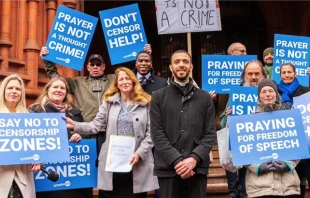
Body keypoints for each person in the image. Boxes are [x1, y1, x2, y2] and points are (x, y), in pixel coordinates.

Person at [64, 67, 159, 198]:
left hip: (137, 161)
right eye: (121, 79)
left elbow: (151, 133)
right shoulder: (108, 101)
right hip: (114, 160)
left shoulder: (146, 102)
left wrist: (139, 153)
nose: (125, 82)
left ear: (133, 81)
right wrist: (75, 125)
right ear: (117, 83)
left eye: (128, 78)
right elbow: (96, 125)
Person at [40, 47, 113, 198]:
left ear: (104, 66)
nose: (95, 67)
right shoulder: (77, 82)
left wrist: (141, 53)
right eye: (92, 64)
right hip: (86, 132)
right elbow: (56, 80)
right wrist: (47, 60)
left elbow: (130, 78)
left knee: (107, 171)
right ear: (87, 67)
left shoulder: (114, 80)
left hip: (109, 133)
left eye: (98, 64)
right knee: (85, 170)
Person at [150, 50, 216, 198]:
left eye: (185, 62)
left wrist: (193, 159)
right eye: (177, 62)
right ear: (171, 67)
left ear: (191, 67)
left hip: (197, 168)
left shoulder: (205, 98)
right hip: (168, 168)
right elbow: (157, 134)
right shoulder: (158, 97)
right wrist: (178, 161)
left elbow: (210, 133)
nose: (181, 65)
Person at [29, 76, 93, 198]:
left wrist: (79, 136)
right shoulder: (35, 111)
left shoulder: (75, 112)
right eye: (55, 87)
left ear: (66, 93)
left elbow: (86, 135)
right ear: (47, 90)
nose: (59, 90)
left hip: (72, 176)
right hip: (46, 175)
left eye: (62, 88)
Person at [220, 60, 268, 198]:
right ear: (244, 76)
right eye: (250, 74)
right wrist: (228, 116)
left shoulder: (272, 91)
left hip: (264, 149)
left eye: (257, 73)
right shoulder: (237, 95)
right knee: (244, 189)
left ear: (263, 75)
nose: (253, 77)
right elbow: (223, 123)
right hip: (243, 148)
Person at [246, 79, 300, 198]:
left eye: (271, 90)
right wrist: (258, 167)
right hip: (259, 187)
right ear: (259, 95)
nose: (268, 94)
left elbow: (298, 147)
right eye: (263, 91)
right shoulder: (247, 120)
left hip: (288, 187)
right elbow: (242, 151)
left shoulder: (289, 118)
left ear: (276, 94)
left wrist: (288, 164)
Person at [0, 74, 40, 197]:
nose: (14, 92)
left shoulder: (30, 116)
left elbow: (40, 144)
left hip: (24, 175)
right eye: (10, 88)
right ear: (3, 91)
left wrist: (39, 159)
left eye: (18, 89)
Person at [278, 63, 310, 197]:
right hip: (287, 142)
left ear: (295, 73)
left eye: (289, 72)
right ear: (280, 75)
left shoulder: (306, 90)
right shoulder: (275, 92)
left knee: (307, 174)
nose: (287, 75)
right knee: (293, 180)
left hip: (307, 141)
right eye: (284, 72)